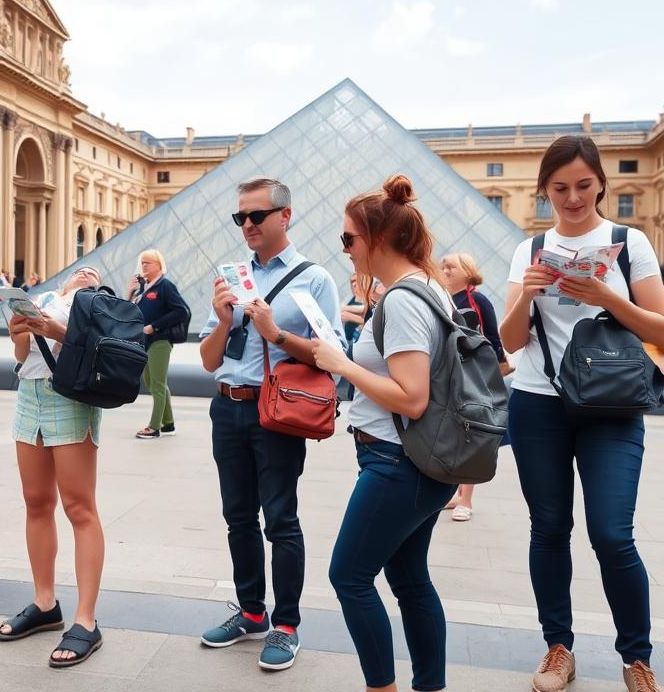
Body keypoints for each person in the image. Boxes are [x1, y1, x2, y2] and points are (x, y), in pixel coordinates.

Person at [499, 136, 664, 692]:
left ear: (600, 183)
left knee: (612, 533)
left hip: (611, 405)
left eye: (583, 185)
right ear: (544, 190)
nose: (572, 198)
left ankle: (637, 658)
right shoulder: (528, 250)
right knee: (549, 529)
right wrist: (526, 296)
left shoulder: (629, 240)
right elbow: (510, 341)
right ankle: (558, 647)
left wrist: (607, 298)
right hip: (537, 403)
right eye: (559, 188)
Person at [310, 174, 457, 692]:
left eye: (348, 238)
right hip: (416, 460)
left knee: (349, 576)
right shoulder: (426, 288)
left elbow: (411, 396)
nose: (344, 248)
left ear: (379, 238)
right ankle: (429, 686)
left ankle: (382, 688)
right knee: (410, 579)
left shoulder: (404, 301)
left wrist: (341, 364)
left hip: (398, 461)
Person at [197, 177, 341, 672]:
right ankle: (252, 611)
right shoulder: (231, 276)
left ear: (285, 216)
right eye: (240, 217)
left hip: (277, 411)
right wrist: (222, 321)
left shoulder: (314, 279)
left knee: (280, 519)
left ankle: (287, 624)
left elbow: (333, 353)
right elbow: (209, 361)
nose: (247, 225)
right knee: (237, 517)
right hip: (227, 406)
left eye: (256, 215)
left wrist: (274, 332)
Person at [0, 265, 106, 669]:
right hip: (30, 394)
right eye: (80, 270)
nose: (85, 272)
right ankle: (45, 603)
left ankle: (86, 620)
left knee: (79, 507)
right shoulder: (42, 298)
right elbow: (22, 356)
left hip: (69, 397)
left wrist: (56, 327)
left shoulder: (95, 302)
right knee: (36, 501)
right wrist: (19, 333)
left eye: (93, 272)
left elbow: (98, 348)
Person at [438, 251, 510, 522]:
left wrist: (490, 371)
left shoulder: (477, 300)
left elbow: (493, 339)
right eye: (443, 267)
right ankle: (454, 494)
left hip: (472, 375)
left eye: (452, 267)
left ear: (468, 272)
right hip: (447, 373)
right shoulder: (442, 298)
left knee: (470, 432)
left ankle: (465, 499)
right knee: (452, 433)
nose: (445, 271)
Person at [128, 249, 188, 439]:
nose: (144, 265)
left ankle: (154, 427)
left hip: (160, 341)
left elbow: (182, 311)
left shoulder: (165, 286)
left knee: (158, 384)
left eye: (148, 262)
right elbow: (129, 311)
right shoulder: (145, 288)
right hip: (146, 342)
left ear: (159, 265)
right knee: (151, 381)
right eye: (142, 262)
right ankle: (168, 424)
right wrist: (130, 293)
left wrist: (154, 326)